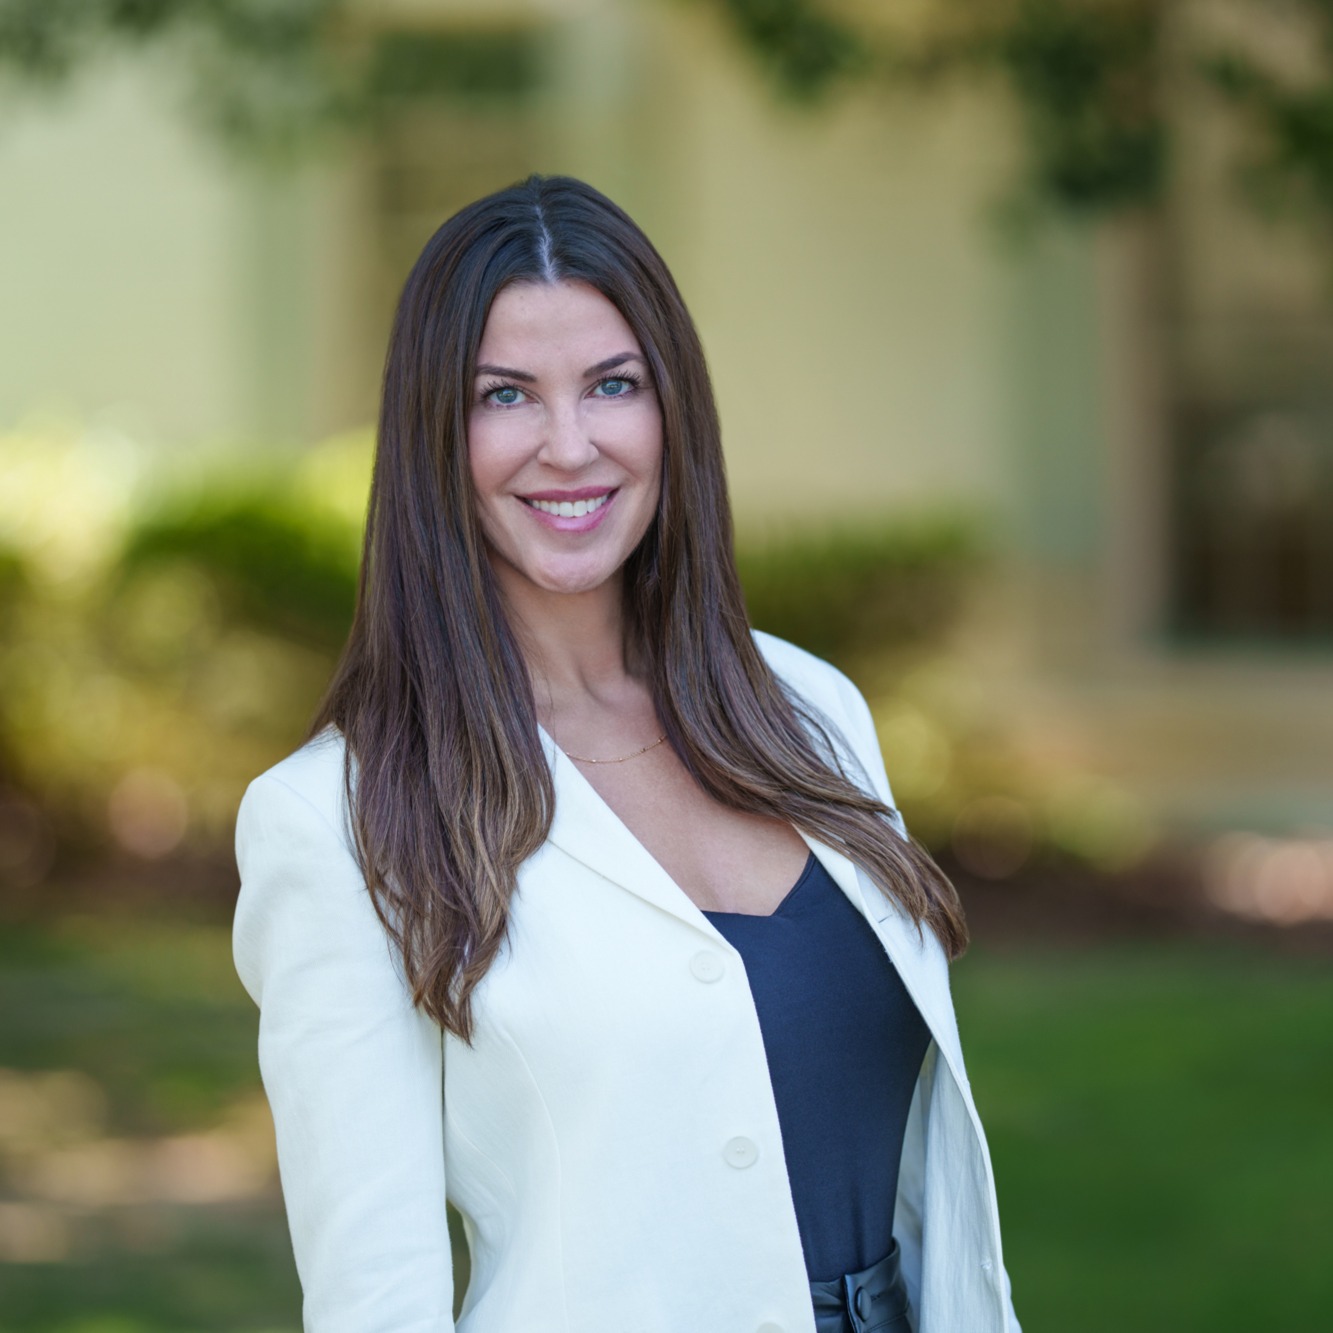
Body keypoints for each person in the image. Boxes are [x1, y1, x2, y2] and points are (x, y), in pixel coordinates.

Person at [233, 174, 1021, 1333]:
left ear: (672, 412)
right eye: (505, 395)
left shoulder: (810, 706)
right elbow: (375, 1294)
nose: (569, 444)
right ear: (430, 435)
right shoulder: (337, 818)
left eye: (613, 384)